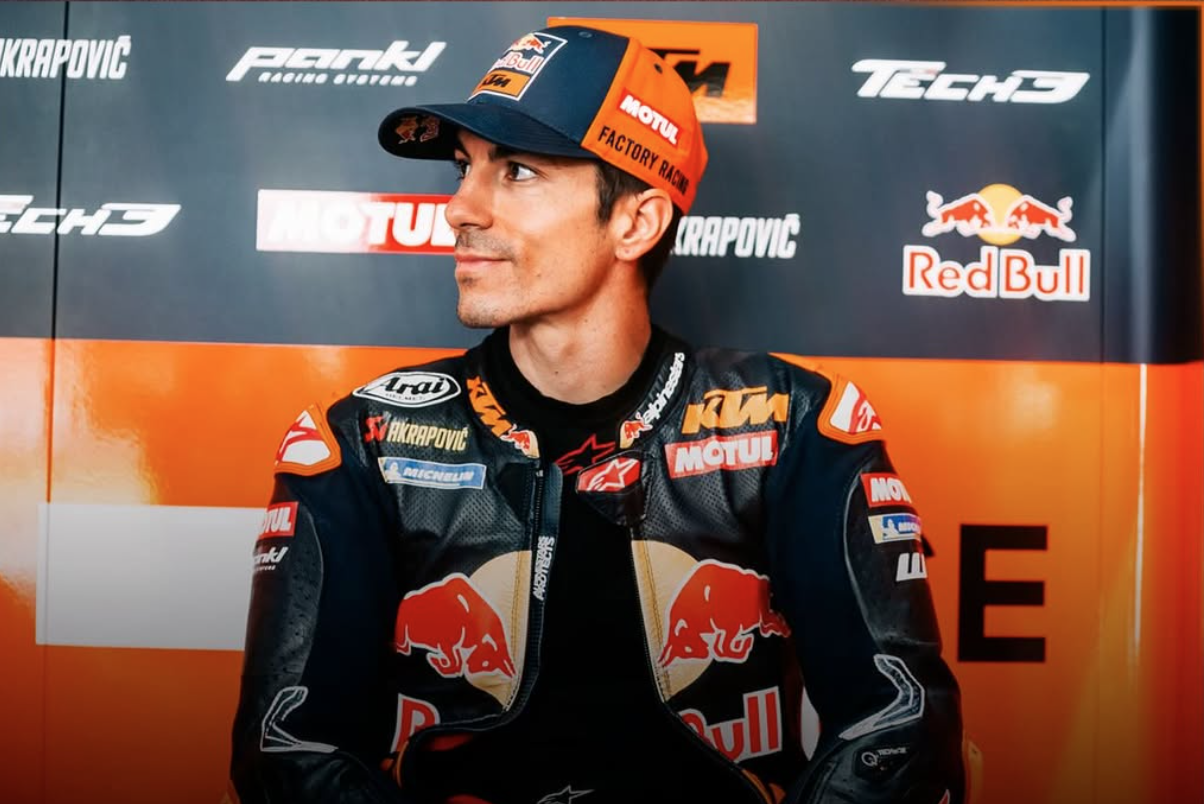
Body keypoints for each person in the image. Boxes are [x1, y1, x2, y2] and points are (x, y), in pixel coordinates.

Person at [230, 23, 967, 804]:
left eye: (516, 171)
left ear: (636, 222)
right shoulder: (366, 441)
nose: (459, 209)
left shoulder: (790, 428)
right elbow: (289, 752)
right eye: (464, 168)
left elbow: (900, 728)